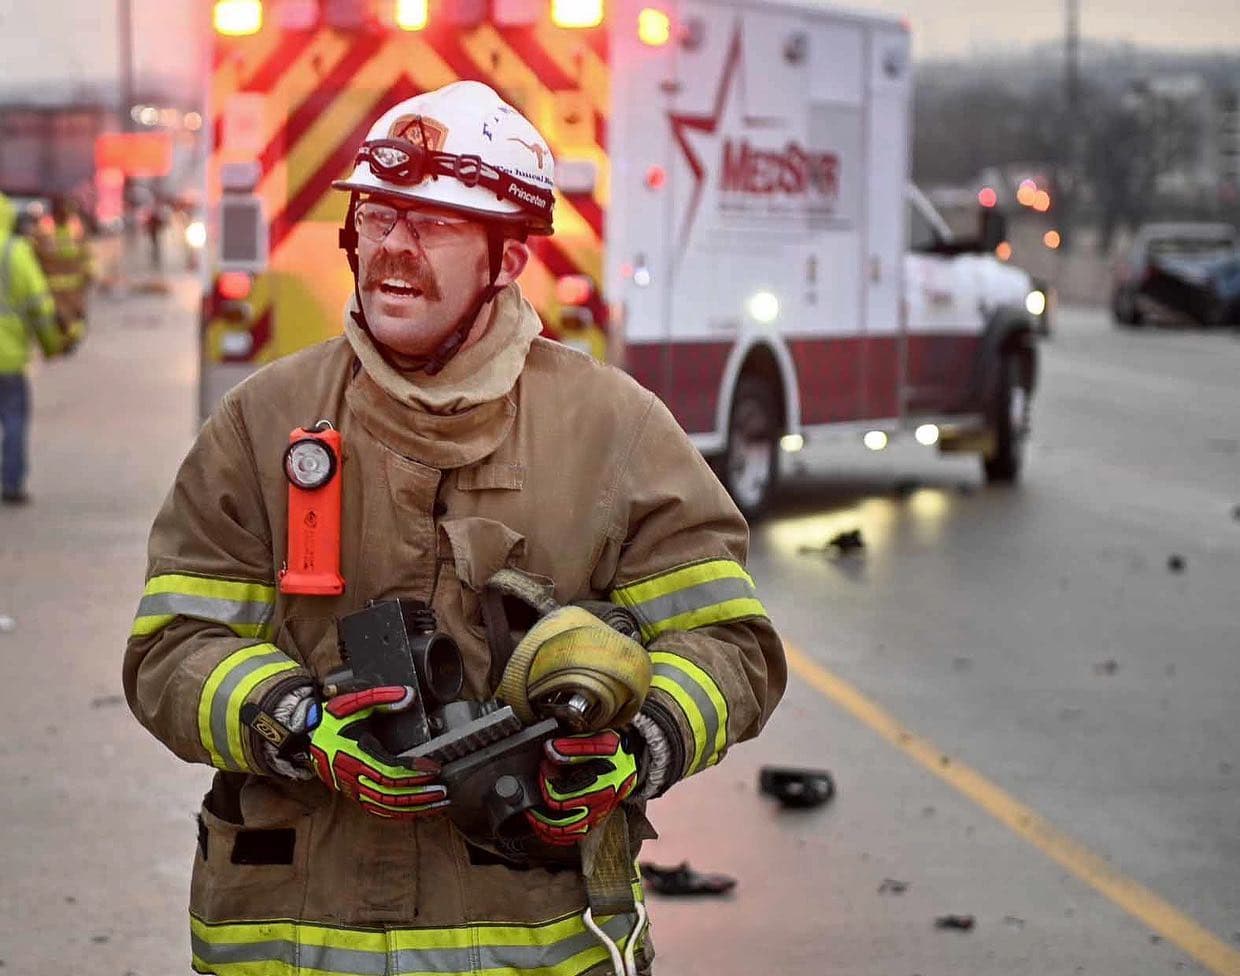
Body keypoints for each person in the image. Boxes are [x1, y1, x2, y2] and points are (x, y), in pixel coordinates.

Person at [123, 81, 785, 976]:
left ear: (508, 259)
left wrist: (631, 747)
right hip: (289, 937)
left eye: (433, 224)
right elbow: (173, 645)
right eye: (378, 217)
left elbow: (729, 646)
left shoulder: (614, 430)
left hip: (533, 936)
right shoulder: (261, 422)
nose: (394, 247)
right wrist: (295, 722)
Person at [0, 192, 67, 505]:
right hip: (10, 359)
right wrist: (52, 345)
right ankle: (11, 484)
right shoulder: (15, 252)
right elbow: (39, 306)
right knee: (13, 419)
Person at [33, 194, 92, 348]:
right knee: (57, 320)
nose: (65, 215)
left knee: (76, 318)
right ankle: (59, 342)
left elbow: (86, 253)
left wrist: (89, 272)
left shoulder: (77, 228)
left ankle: (71, 340)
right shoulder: (43, 230)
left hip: (75, 290)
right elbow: (35, 256)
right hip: (53, 290)